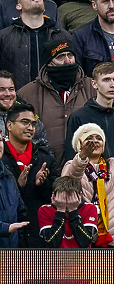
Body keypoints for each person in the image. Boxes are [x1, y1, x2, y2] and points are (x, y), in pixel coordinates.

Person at [18, 40, 95, 166]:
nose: (67, 61)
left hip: (86, 169)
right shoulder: (27, 94)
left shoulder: (92, 87)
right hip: (44, 169)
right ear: (50, 62)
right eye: (60, 57)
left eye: (70, 56)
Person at [1, 102, 56, 247]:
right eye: (25, 122)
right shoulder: (1, 157)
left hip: (38, 236)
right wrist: (17, 186)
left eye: (33, 124)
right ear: (9, 125)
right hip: (7, 238)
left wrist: (42, 185)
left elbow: (54, 199)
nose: (30, 128)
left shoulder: (45, 158)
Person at [0, 0, 68, 88]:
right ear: (18, 6)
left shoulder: (61, 35)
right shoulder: (4, 36)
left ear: (44, 6)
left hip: (54, 97)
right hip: (18, 98)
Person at [38, 175, 98, 248]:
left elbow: (85, 242)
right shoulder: (45, 210)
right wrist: (60, 211)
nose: (66, 203)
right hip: (56, 257)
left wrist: (73, 211)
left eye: (71, 198)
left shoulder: (89, 208)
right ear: (53, 196)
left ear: (80, 195)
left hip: (81, 257)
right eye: (62, 198)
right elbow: (52, 243)